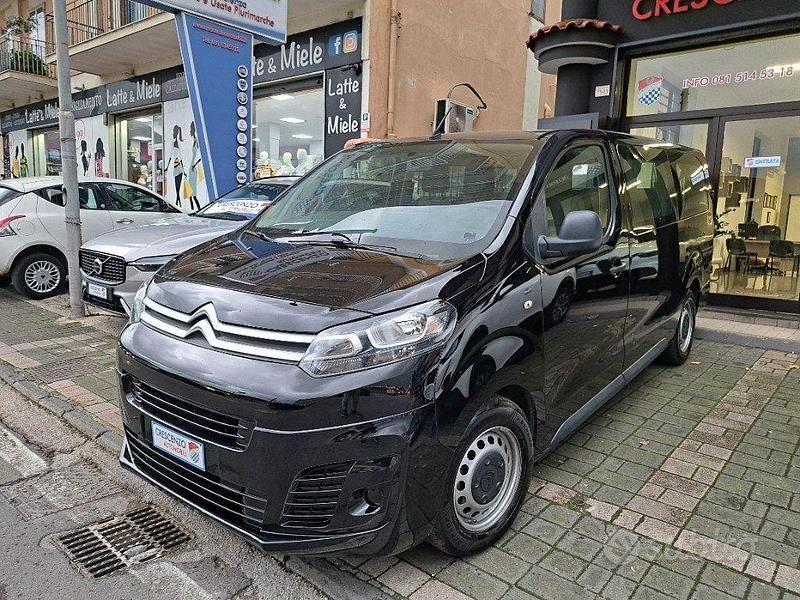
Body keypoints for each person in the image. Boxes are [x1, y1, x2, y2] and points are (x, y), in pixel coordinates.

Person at [167, 125, 184, 208]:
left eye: (174, 132)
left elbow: (181, 158)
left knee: (178, 186)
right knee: (177, 186)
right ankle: (178, 201)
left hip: (179, 167)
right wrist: (167, 167)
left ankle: (178, 202)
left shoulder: (179, 144)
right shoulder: (173, 144)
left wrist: (183, 169)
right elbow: (170, 156)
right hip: (175, 167)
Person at [187, 122, 201, 212]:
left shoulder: (197, 142)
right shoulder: (194, 141)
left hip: (193, 168)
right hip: (190, 168)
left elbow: (200, 157)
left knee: (193, 193)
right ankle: (192, 209)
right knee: (190, 193)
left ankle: (199, 209)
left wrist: (194, 165)